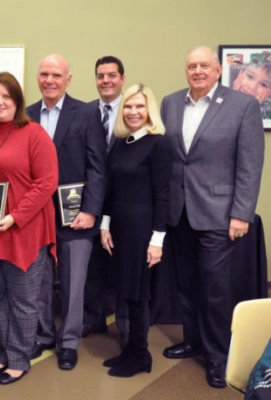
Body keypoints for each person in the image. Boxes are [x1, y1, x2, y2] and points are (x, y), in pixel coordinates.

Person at [160, 46, 264, 388]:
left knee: (215, 289)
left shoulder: (242, 106)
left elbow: (250, 164)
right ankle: (193, 340)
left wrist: (241, 213)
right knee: (187, 284)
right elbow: (174, 159)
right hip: (180, 212)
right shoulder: (171, 103)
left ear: (218, 71)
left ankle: (218, 356)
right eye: (192, 65)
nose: (198, 70)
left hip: (220, 214)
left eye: (205, 65)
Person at [0, 72, 58, 385]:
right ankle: (5, 353)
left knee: (24, 299)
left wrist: (15, 216)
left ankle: (19, 358)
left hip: (22, 230)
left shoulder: (34, 133)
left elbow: (47, 182)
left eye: (6, 96)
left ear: (16, 100)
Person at [26, 54, 107, 370]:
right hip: (37, 216)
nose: (49, 80)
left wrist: (90, 210)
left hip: (76, 216)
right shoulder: (27, 115)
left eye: (56, 75)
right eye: (44, 74)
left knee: (74, 285)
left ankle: (69, 342)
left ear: (68, 79)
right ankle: (44, 336)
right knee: (40, 282)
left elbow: (98, 168)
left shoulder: (86, 113)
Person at [99, 84, 171, 377]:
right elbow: (110, 189)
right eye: (128, 106)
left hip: (143, 231)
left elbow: (163, 194)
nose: (133, 112)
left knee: (139, 296)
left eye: (139, 106)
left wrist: (157, 240)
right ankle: (129, 350)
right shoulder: (121, 143)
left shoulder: (159, 144)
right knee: (126, 294)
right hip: (119, 228)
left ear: (149, 110)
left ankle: (141, 355)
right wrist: (104, 225)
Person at [83, 56, 130, 348]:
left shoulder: (134, 109)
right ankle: (92, 317)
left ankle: (126, 324)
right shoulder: (86, 112)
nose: (106, 81)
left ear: (122, 78)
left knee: (124, 264)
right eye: (100, 76)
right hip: (92, 199)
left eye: (112, 75)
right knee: (92, 264)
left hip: (127, 201)